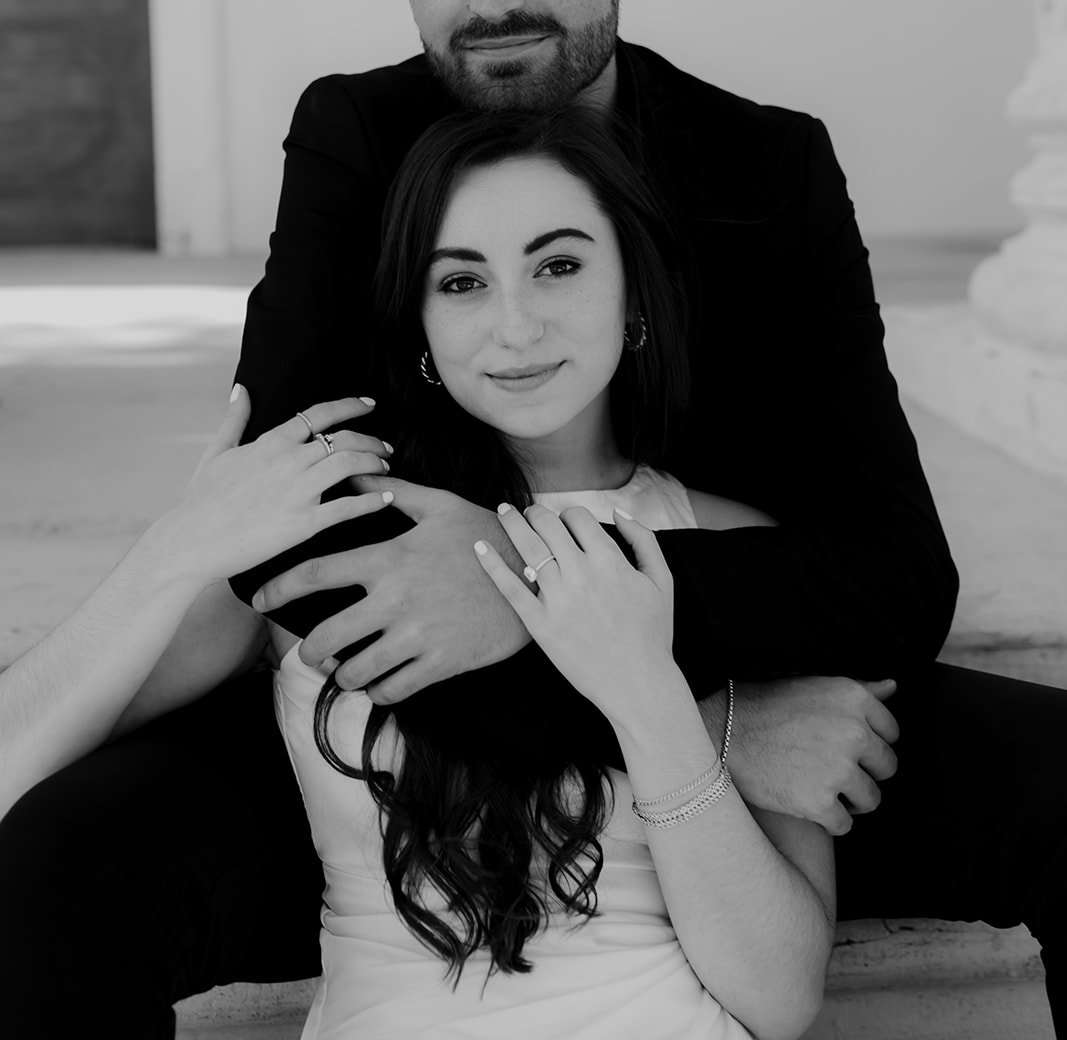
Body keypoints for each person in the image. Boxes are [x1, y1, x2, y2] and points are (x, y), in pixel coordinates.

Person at [1, 0, 1065, 1037]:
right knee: (62, 859)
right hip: (401, 749)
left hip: (732, 746)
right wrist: (690, 723)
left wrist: (550, 602)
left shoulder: (765, 165)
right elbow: (295, 534)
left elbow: (892, 580)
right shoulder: (353, 137)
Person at [0, 108, 835, 1040]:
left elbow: (781, 995)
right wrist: (177, 546)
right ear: (421, 322)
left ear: (634, 291)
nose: (515, 327)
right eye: (463, 281)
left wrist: (647, 695)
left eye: (558, 265)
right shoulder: (337, 550)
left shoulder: (730, 543)